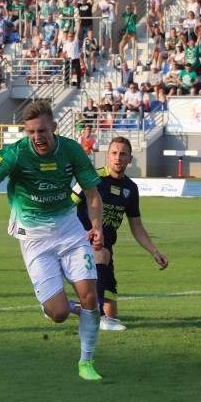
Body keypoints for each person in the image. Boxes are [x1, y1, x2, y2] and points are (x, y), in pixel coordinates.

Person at [0, 100, 105, 380]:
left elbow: (92, 194)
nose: (36, 137)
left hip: (68, 229)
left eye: (41, 130)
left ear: (53, 128)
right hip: (33, 237)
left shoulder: (71, 150)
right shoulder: (15, 154)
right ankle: (57, 304)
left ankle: (86, 362)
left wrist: (96, 226)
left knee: (90, 296)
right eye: (30, 132)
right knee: (58, 314)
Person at [70, 136, 169, 330]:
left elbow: (137, 226)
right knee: (101, 254)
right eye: (114, 153)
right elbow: (64, 205)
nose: (118, 157)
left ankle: (66, 306)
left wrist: (154, 251)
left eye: (123, 154)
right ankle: (97, 317)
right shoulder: (90, 177)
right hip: (80, 241)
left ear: (130, 158)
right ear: (107, 156)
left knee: (112, 312)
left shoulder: (130, 189)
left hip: (106, 246)